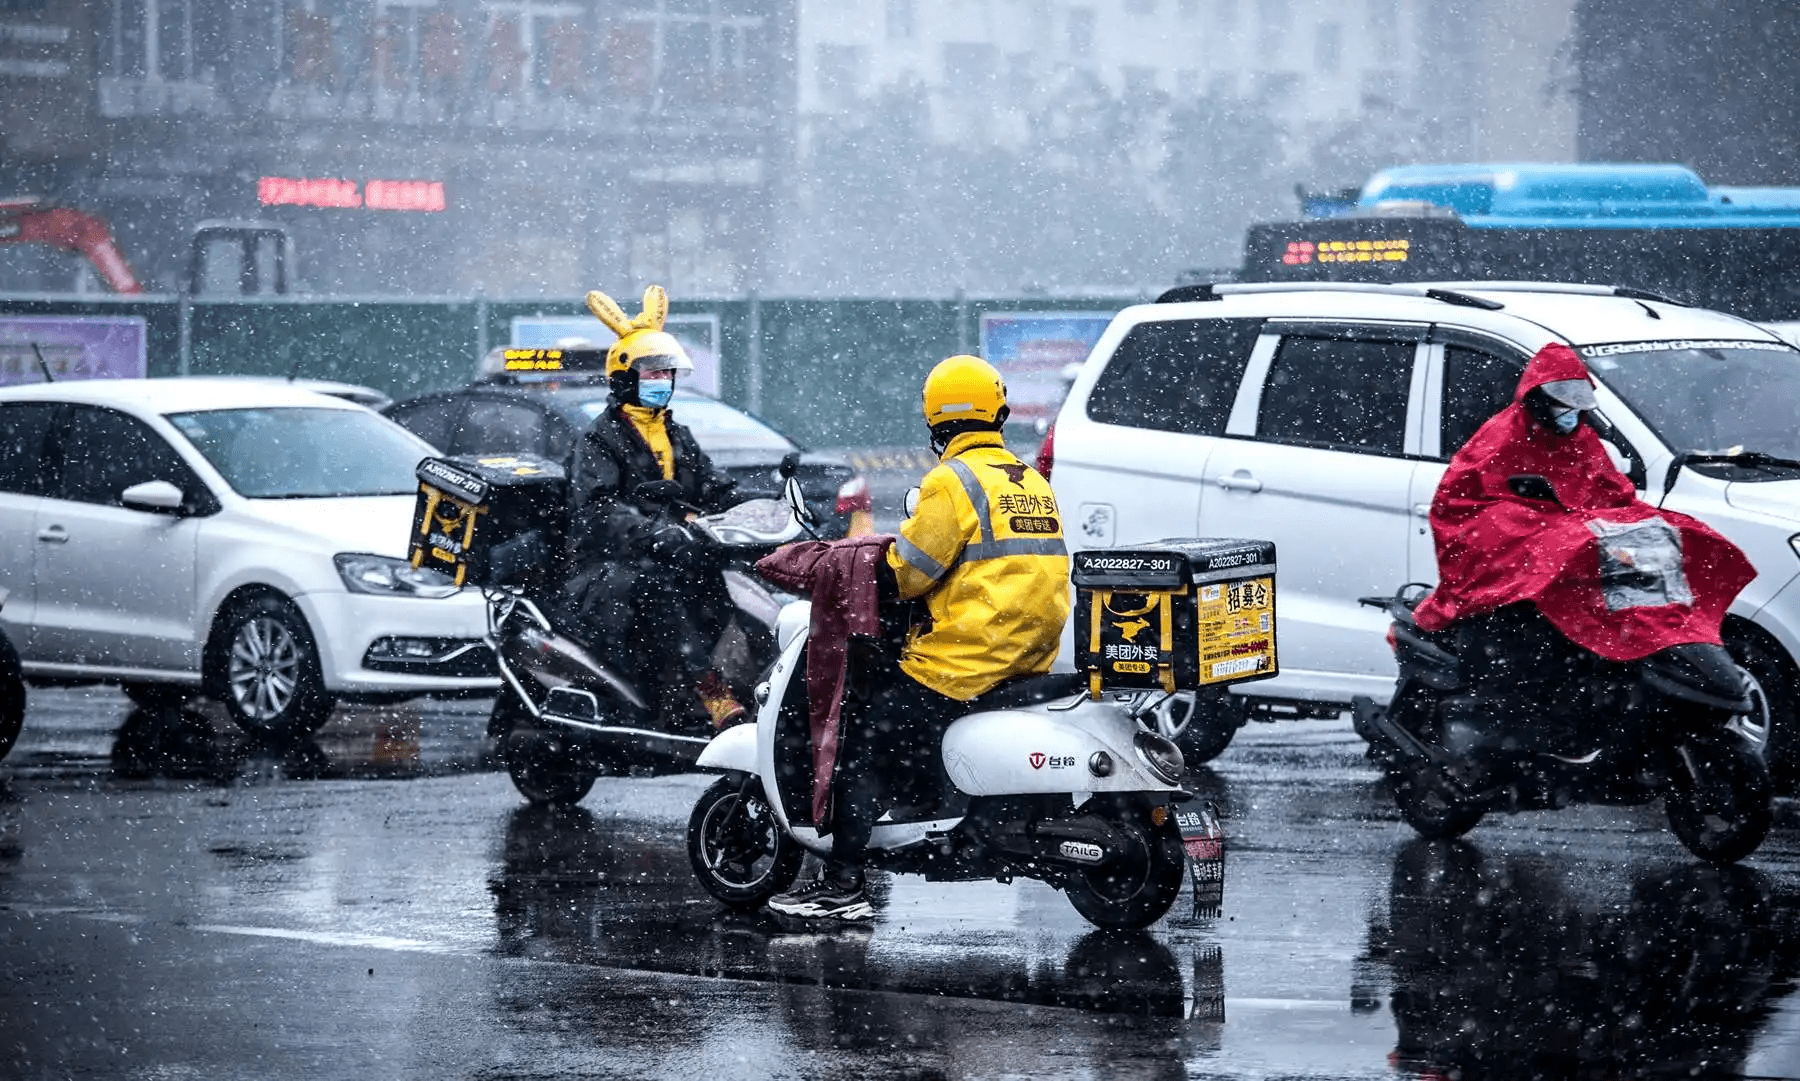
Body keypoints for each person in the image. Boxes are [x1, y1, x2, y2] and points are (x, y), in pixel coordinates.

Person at [767, 354, 1071, 921]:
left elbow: (911, 573)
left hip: (970, 657)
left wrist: (872, 569)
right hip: (1032, 652)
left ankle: (845, 882)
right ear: (997, 413)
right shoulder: (1029, 480)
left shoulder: (950, 481)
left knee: (862, 735)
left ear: (936, 422)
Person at [1412, 342, 1753, 758]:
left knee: (1663, 534)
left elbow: (1609, 490)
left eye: (1578, 405)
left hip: (1558, 527)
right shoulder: (1502, 437)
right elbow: (1474, 498)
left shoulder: (1581, 438)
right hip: (1497, 532)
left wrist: (1636, 519)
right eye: (1562, 405)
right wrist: (1541, 517)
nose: (1571, 414)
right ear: (1538, 400)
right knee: (1552, 555)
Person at [564, 285, 746, 728]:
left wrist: (762, 509)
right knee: (658, 588)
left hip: (671, 552)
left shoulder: (676, 433)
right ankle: (711, 695)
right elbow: (599, 508)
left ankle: (716, 686)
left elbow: (712, 487)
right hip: (605, 567)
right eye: (651, 375)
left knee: (727, 589)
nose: (661, 383)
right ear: (625, 379)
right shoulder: (600, 438)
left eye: (667, 375)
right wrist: (652, 532)